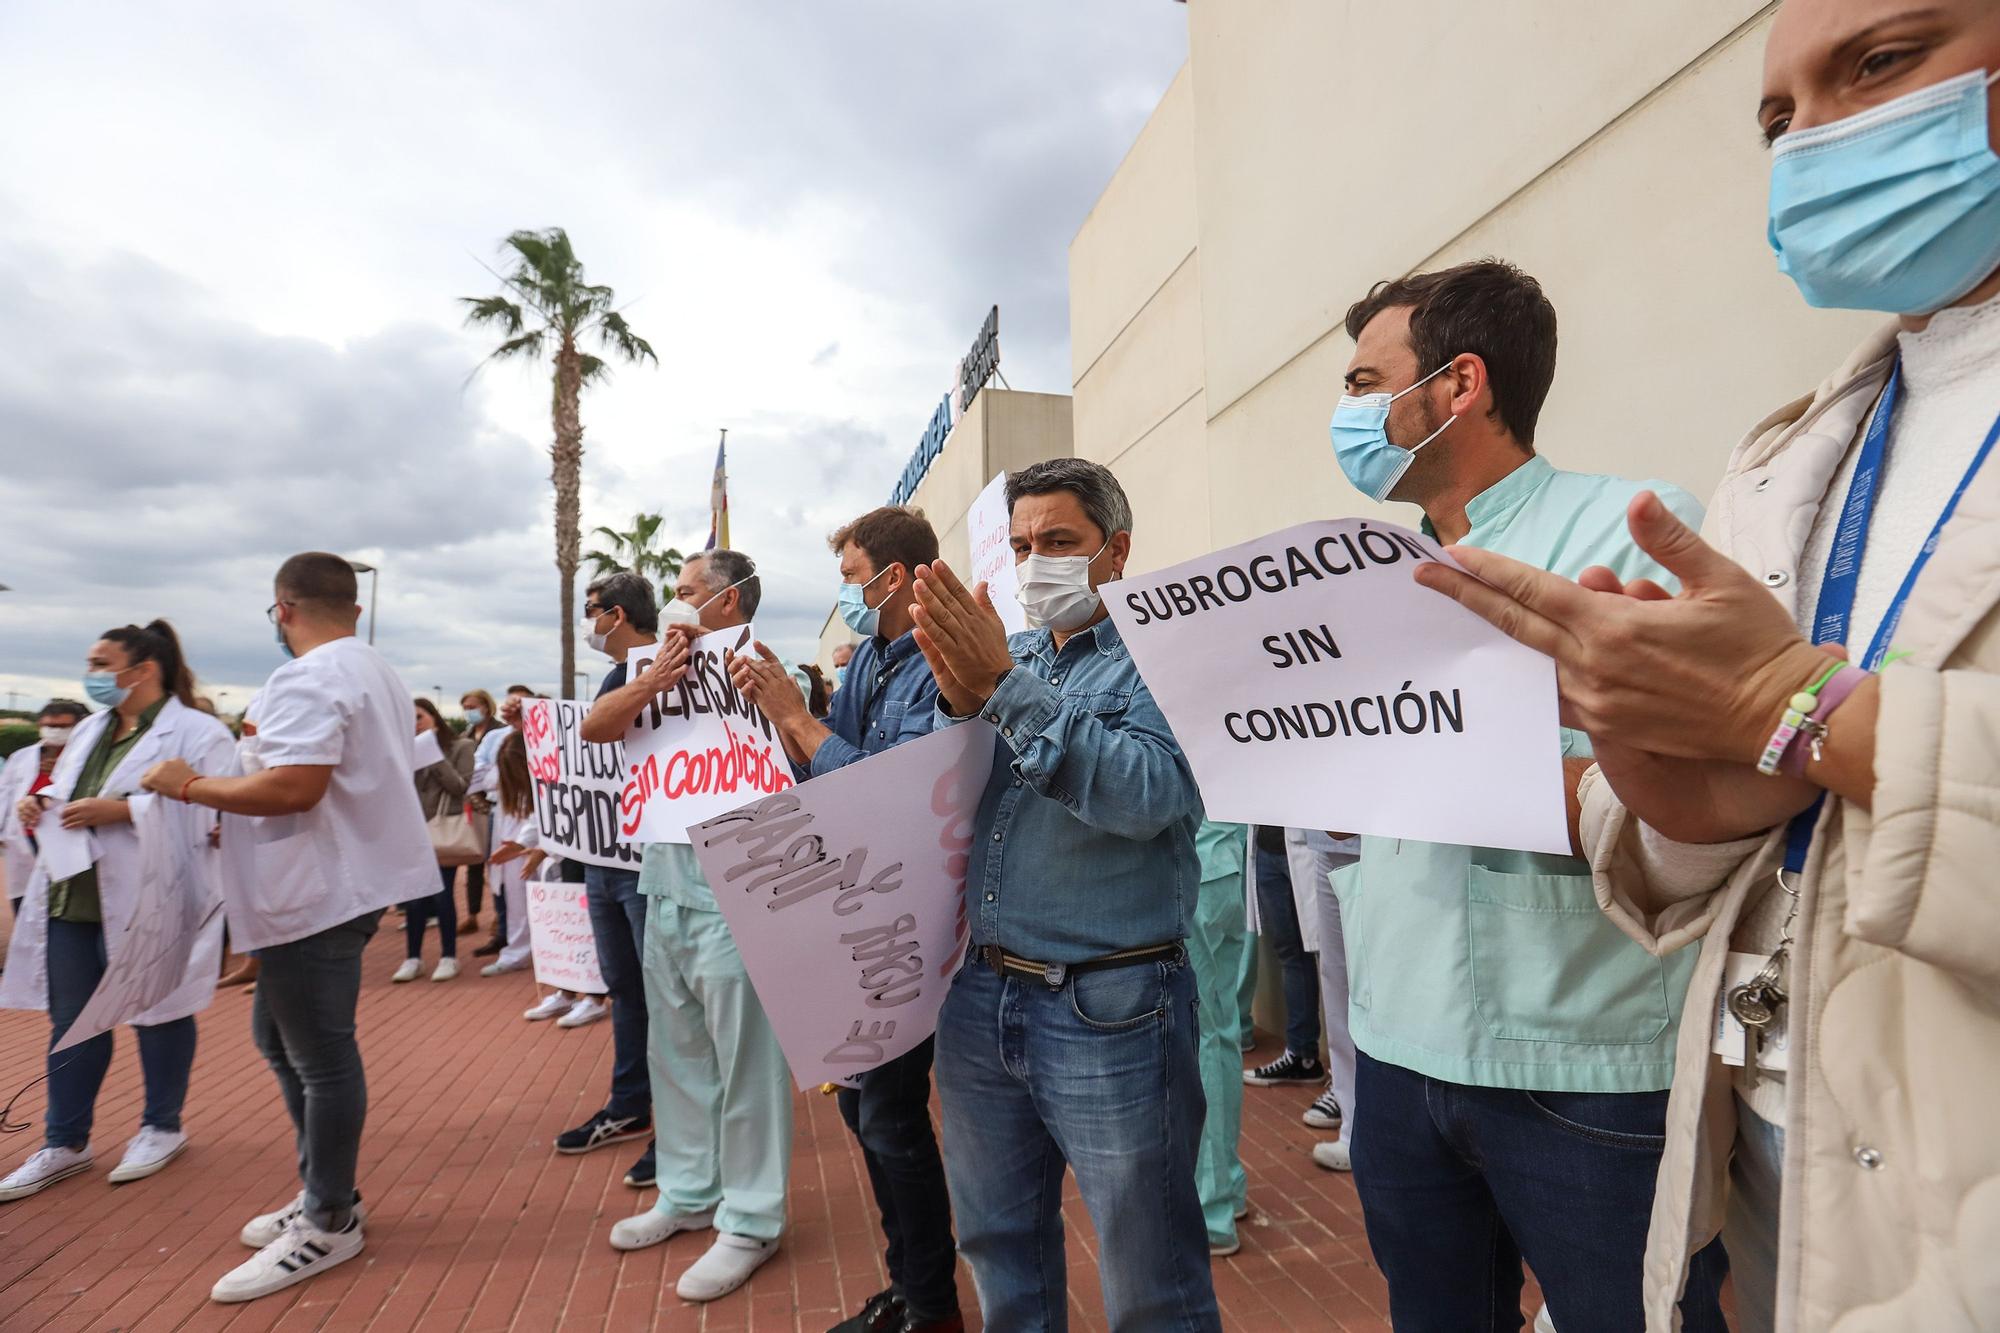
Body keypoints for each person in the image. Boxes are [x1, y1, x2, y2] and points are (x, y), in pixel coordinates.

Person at [1413, 4, 2000, 1325]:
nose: (1812, 141)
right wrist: (1671, 779)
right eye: (1777, 118)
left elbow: (1795, 718)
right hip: (1770, 1137)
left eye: (1884, 63)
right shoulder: (1786, 456)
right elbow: (1716, 817)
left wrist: (1794, 712)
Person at [1324, 259, 1726, 1330]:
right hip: (1399, 1050)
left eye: (1366, 384)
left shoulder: (1626, 531)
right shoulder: (1365, 581)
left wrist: (1473, 769)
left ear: (1458, 387)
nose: (1345, 412)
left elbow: (1686, 790)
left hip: (1580, 1062)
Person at [912, 457, 1220, 1330]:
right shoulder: (1013, 653)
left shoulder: (1164, 654)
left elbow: (1148, 793)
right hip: (983, 997)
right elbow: (954, 793)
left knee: (1147, 1267)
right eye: (1019, 545)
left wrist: (1004, 688)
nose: (1032, 560)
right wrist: (959, 693)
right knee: (999, 1245)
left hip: (1110, 1004)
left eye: (1058, 541)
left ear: (1114, 551)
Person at [139, 552, 437, 1302]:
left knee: (321, 1057)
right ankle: (322, 1189)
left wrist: (193, 785)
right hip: (343, 882)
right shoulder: (376, 668)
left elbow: (296, 785)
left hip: (317, 892)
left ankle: (330, 1217)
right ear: (355, 607)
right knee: (279, 1039)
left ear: (284, 610)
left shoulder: (309, 676)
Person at [728, 507, 962, 1333]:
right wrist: (776, 719)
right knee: (864, 1110)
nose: (846, 592)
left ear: (893, 577)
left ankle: (930, 1302)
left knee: (891, 1116)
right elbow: (828, 771)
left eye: (852, 574)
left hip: (917, 925)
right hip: (863, 912)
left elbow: (891, 796)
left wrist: (799, 718)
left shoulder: (943, 661)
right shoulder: (872, 658)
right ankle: (911, 1285)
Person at [594, 549, 792, 1305]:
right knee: (675, 1049)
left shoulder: (765, 665)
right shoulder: (646, 672)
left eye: (686, 594)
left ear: (730, 601)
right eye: (672, 595)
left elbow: (790, 730)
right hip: (665, 880)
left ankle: (751, 1216)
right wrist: (653, 678)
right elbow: (601, 727)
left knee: (745, 1058)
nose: (674, 607)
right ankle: (687, 1188)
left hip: (738, 881)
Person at [0, 625, 229, 1200]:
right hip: (71, 897)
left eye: (102, 663)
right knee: (72, 1023)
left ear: (143, 668)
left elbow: (218, 812)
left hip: (152, 897)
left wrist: (127, 811)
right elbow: (69, 792)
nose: (92, 673)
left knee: (159, 1013)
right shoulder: (91, 730)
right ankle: (65, 1141)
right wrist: (40, 801)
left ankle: (161, 1126)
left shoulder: (199, 732)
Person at [554, 571, 659, 1189]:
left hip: (646, 862)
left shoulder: (660, 671)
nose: (587, 622)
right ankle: (630, 1104)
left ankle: (679, 1125)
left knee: (666, 998)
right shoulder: (618, 677)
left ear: (615, 615)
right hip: (606, 856)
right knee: (625, 989)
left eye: (590, 610)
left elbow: (602, 731)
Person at [1188, 818, 1252, 1256]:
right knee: (1220, 1031)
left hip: (1198, 865)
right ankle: (1226, 1187)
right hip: (1224, 858)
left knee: (1204, 1037)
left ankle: (1212, 1213)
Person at [1295, 829, 1361, 1171]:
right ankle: (1351, 1133)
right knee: (1337, 983)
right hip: (1326, 838)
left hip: (1390, 842)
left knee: (1380, 989)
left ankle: (1373, 1133)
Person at [393, 698, 471, 983]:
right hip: (412, 831)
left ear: (434, 717)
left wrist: (434, 757)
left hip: (442, 831)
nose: (414, 724)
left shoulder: (461, 747)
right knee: (413, 898)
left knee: (441, 894)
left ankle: (448, 956)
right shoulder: (403, 749)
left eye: (419, 717)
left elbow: (460, 786)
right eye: (409, 719)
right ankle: (413, 958)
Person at [1241, 825, 1324, 1091]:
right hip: (1267, 847)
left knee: (1332, 960)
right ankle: (1302, 1055)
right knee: (1291, 955)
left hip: (1310, 846)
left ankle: (1348, 1081)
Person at [0, 699, 87, 911]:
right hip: (24, 836)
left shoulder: (84, 757)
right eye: (49, 726)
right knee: (24, 901)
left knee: (61, 901)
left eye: (62, 727)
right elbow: (5, 794)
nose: (54, 731)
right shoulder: (22, 757)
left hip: (66, 836)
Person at [469, 684, 532, 958]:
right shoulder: (496, 737)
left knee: (526, 876)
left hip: (530, 811)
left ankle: (530, 940)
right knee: (500, 876)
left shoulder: (541, 734)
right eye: (511, 704)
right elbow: (477, 772)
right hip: (501, 811)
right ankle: (503, 932)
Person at [480, 730, 540, 978]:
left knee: (539, 906)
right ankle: (517, 952)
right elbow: (485, 779)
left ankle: (545, 954)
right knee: (516, 906)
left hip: (533, 851)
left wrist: (520, 843)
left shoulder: (542, 782)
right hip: (511, 851)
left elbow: (537, 821)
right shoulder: (505, 782)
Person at [457, 688, 501, 941]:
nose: (469, 711)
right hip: (472, 808)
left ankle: (498, 915)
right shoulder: (465, 736)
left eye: (473, 706)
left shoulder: (499, 732)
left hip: (492, 806)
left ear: (486, 706)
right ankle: (472, 914)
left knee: (495, 863)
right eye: (465, 707)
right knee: (474, 863)